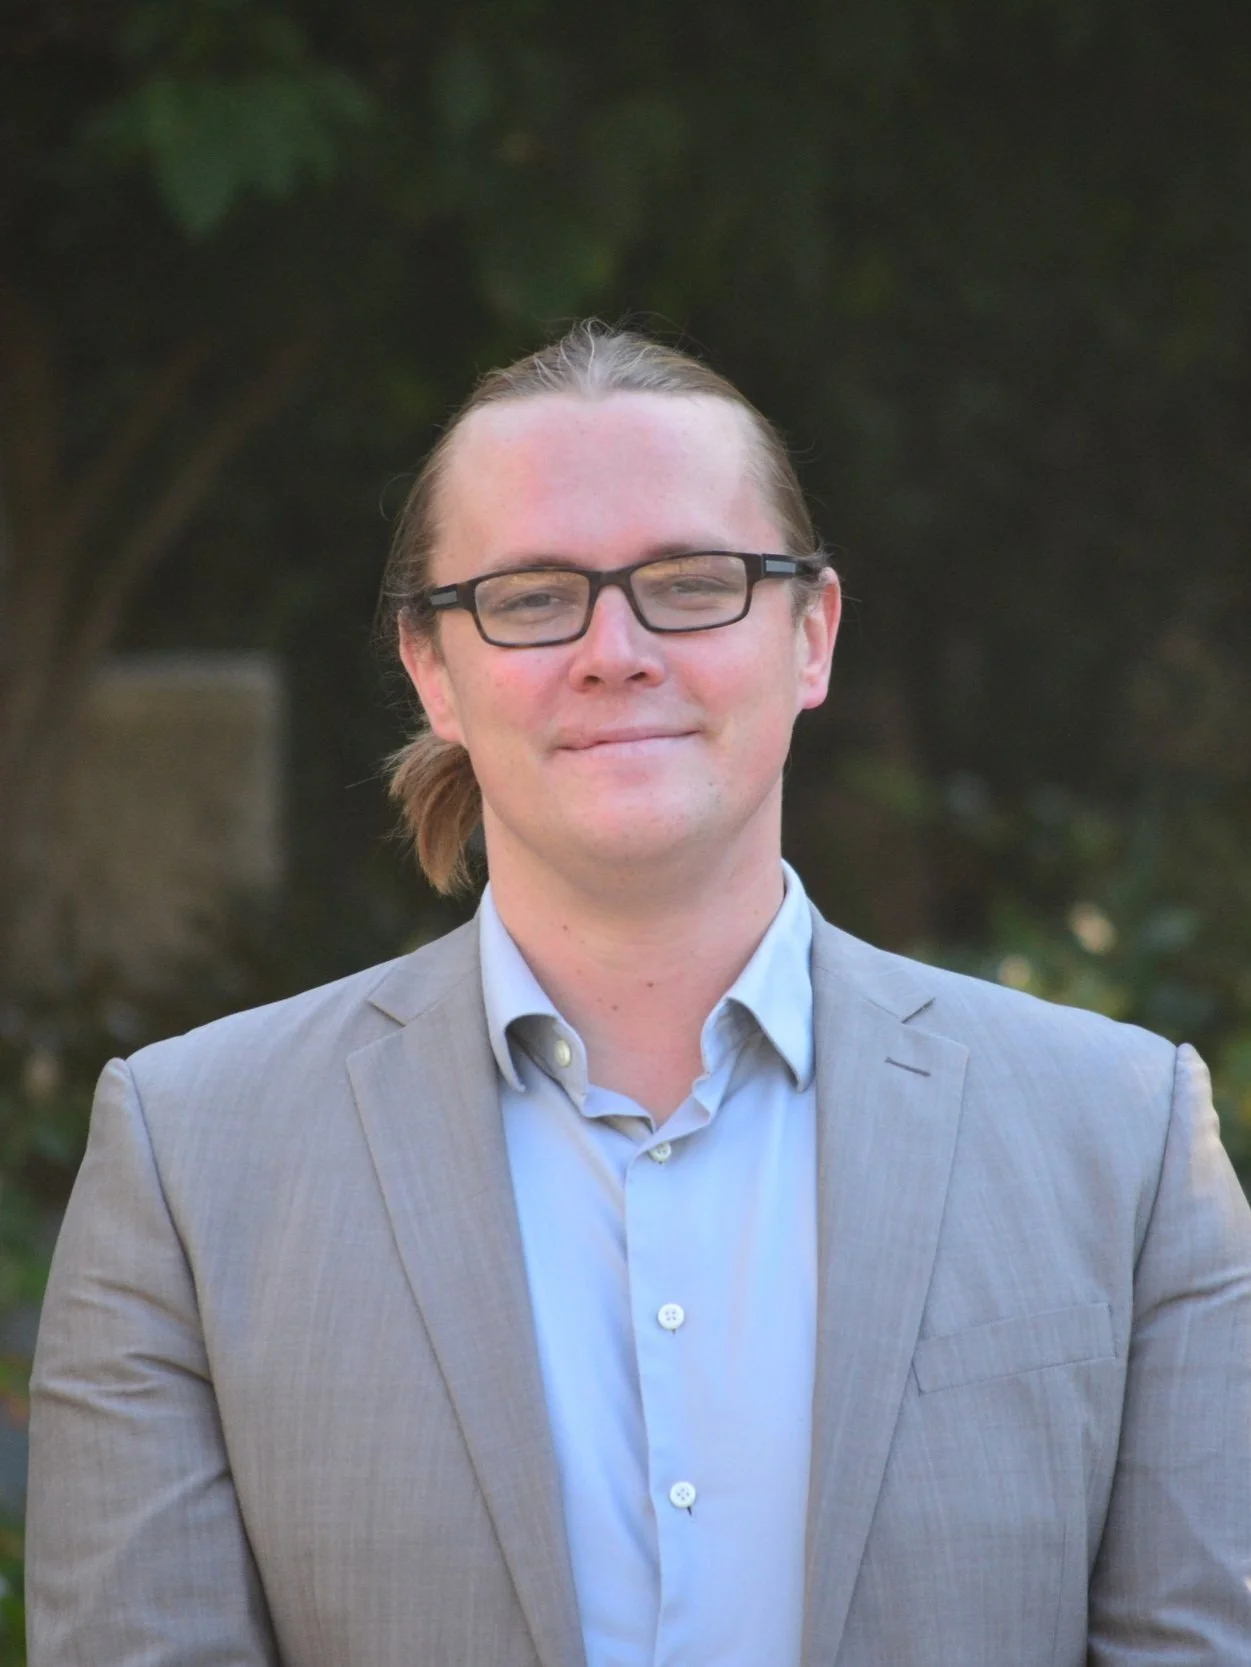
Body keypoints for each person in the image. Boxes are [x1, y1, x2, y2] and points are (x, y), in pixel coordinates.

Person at [26, 322, 1251, 1667]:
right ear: (433, 669)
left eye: (691, 582)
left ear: (812, 635)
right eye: (531, 596)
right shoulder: (194, 1159)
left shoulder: (1120, 1136)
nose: (614, 649)